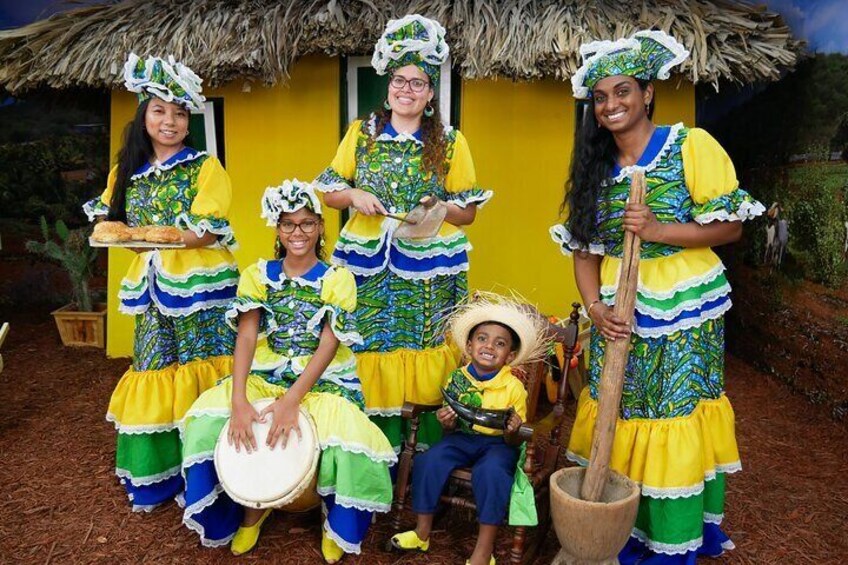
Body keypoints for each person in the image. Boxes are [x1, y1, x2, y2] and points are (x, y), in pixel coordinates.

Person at [550, 30, 765, 564]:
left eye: (622, 91)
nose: (611, 105)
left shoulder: (690, 146)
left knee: (673, 410)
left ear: (647, 93)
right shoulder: (594, 170)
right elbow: (584, 253)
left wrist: (658, 229)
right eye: (600, 97)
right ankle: (615, 524)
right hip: (617, 311)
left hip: (684, 305)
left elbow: (732, 228)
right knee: (619, 406)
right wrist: (595, 310)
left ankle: (674, 537)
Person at [179, 180, 396, 561]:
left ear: (320, 227)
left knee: (347, 439)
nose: (298, 233)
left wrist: (293, 399)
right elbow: (247, 336)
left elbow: (329, 344)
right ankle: (251, 511)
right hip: (268, 369)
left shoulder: (338, 278)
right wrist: (239, 399)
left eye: (307, 223)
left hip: (323, 378)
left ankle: (336, 520)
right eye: (289, 224)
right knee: (205, 422)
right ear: (277, 229)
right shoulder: (257, 274)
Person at [315, 14, 492, 453]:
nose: (406, 90)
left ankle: (424, 450)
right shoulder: (361, 135)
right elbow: (328, 191)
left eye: (417, 83)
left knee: (425, 345)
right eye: (399, 80)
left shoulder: (451, 142)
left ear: (431, 93)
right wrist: (353, 195)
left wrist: (438, 209)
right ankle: (370, 447)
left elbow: (467, 212)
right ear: (388, 86)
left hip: (428, 265)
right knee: (368, 343)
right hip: (367, 263)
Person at [83, 53, 239, 511]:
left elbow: (208, 231)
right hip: (151, 290)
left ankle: (213, 473)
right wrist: (139, 243)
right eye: (159, 111)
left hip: (202, 289)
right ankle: (159, 476)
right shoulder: (125, 172)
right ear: (143, 116)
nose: (169, 121)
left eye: (178, 113)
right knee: (153, 371)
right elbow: (115, 229)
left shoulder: (205, 167)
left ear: (188, 121)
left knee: (203, 370)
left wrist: (166, 240)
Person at [390, 293, 548, 565]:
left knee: (493, 473)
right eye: (482, 338)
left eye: (500, 344)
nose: (489, 346)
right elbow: (450, 426)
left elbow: (515, 438)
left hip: (499, 445)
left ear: (509, 356)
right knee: (429, 460)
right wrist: (446, 422)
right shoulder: (457, 378)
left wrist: (513, 429)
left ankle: (483, 551)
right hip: (463, 438)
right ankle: (422, 531)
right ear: (470, 345)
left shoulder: (513, 387)